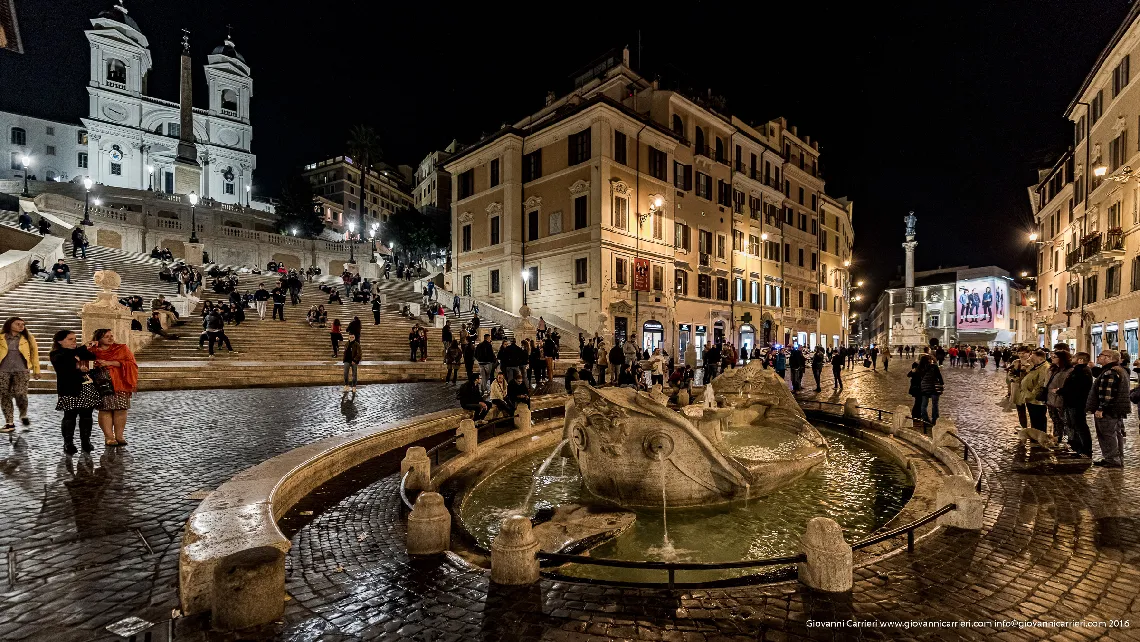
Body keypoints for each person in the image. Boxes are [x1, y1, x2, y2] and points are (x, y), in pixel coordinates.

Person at [49, 329, 100, 454]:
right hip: (69, 389)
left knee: (87, 415)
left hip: (86, 386)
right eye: (70, 339)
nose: (74, 342)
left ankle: (86, 441)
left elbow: (93, 358)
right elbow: (65, 363)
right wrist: (82, 349)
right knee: (70, 415)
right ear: (60, 341)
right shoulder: (57, 354)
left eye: (75, 339)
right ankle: (68, 443)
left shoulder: (78, 352)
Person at [90, 328, 137, 446]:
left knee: (121, 408)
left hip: (120, 382)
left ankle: (120, 435)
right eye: (107, 336)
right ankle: (109, 437)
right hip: (102, 383)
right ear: (98, 339)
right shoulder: (92, 351)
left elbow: (131, 363)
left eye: (111, 336)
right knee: (105, 409)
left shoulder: (121, 348)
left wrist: (109, 363)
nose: (111, 338)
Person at [1089, 349, 1131, 467]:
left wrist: (1101, 408)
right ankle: (1116, 458)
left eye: (1101, 355)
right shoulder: (1118, 370)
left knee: (1107, 434)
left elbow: (1107, 394)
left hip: (1110, 410)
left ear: (1108, 358)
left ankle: (1112, 459)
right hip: (1116, 409)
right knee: (1116, 433)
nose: (1098, 357)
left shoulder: (1110, 372)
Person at [0, 317, 39, 432]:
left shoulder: (28, 338)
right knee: (5, 395)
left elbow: (34, 354)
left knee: (20, 393)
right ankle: (9, 423)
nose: (21, 326)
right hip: (3, 371)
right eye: (18, 324)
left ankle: (23, 414)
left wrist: (36, 370)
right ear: (9, 325)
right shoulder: (1, 338)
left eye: (23, 324)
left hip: (22, 371)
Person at [1019, 349, 1050, 433]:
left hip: (1036, 399)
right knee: (1034, 419)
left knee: (1039, 419)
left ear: (1039, 358)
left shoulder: (1045, 367)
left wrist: (1032, 394)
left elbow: (1041, 383)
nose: (1030, 358)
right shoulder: (1037, 366)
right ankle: (1035, 436)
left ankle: (1040, 437)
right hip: (1031, 398)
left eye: (1032, 356)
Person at [919, 354, 944, 425]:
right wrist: (942, 384)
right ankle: (935, 420)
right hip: (933, 387)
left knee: (924, 405)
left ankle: (925, 419)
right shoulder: (934, 366)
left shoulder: (920, 367)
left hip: (924, 387)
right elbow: (939, 376)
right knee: (935, 404)